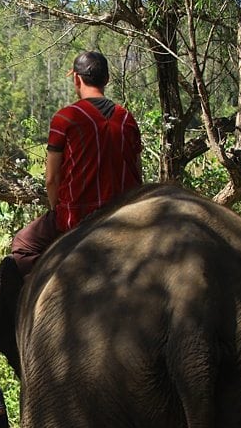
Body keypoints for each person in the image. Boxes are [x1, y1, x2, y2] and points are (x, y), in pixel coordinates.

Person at [9, 50, 143, 278]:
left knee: (22, 245)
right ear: (107, 80)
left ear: (76, 79)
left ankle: (39, 297)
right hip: (126, 215)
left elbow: (52, 179)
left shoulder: (66, 118)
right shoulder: (127, 118)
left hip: (77, 216)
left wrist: (56, 211)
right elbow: (138, 170)